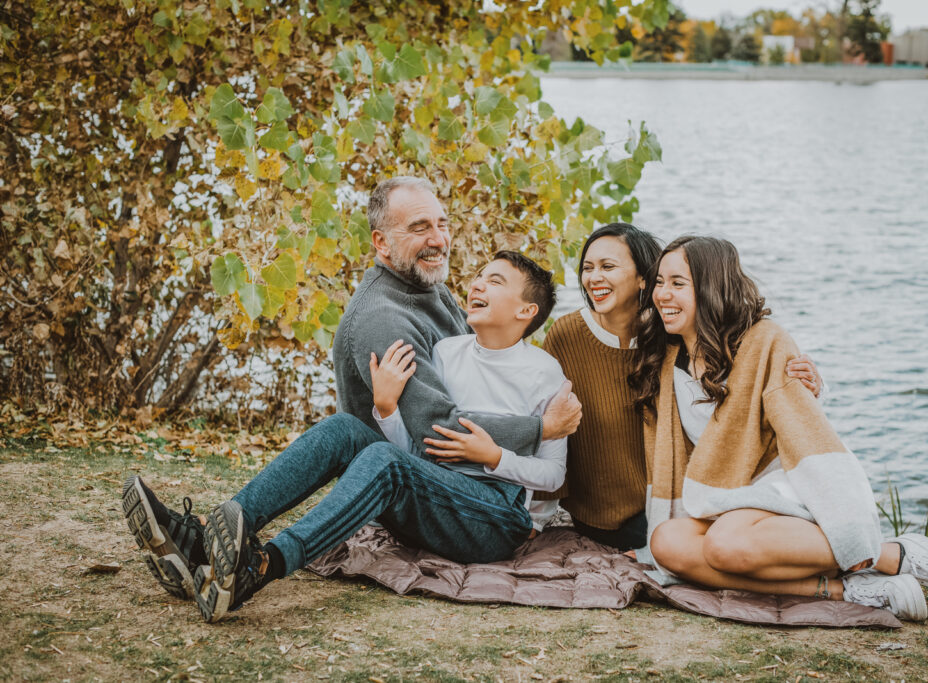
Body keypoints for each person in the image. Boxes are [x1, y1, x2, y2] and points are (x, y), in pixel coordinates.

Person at [121, 177, 582, 622]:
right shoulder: (384, 319)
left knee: (370, 447)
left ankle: (223, 553)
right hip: (426, 476)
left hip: (477, 505)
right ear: (382, 244)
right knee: (348, 434)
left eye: (442, 223)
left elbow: (523, 436)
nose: (439, 238)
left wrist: (519, 441)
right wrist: (539, 428)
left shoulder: (435, 293)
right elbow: (433, 433)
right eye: (419, 228)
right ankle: (222, 552)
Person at [633, 235, 928, 620]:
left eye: (677, 283)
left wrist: (815, 389)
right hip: (724, 492)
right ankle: (844, 589)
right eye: (659, 282)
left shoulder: (763, 339)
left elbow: (801, 418)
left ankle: (895, 554)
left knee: (724, 545)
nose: (662, 294)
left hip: (781, 485)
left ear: (709, 288)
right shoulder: (669, 359)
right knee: (667, 544)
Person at [531, 223, 824, 551]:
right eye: (588, 268)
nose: (594, 277)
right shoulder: (567, 335)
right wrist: (535, 518)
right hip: (613, 516)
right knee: (717, 546)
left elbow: (733, 385)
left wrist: (798, 384)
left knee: (744, 537)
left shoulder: (670, 335)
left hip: (687, 497)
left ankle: (846, 552)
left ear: (643, 277)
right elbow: (554, 427)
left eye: (608, 267)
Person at [370, 251, 567, 529]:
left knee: (381, 457)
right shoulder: (446, 353)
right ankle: (289, 548)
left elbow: (554, 474)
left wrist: (494, 458)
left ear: (525, 310)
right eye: (478, 277)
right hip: (434, 495)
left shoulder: (545, 372)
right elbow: (419, 452)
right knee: (343, 430)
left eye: (495, 282)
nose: (476, 284)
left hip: (493, 514)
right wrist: (387, 408)